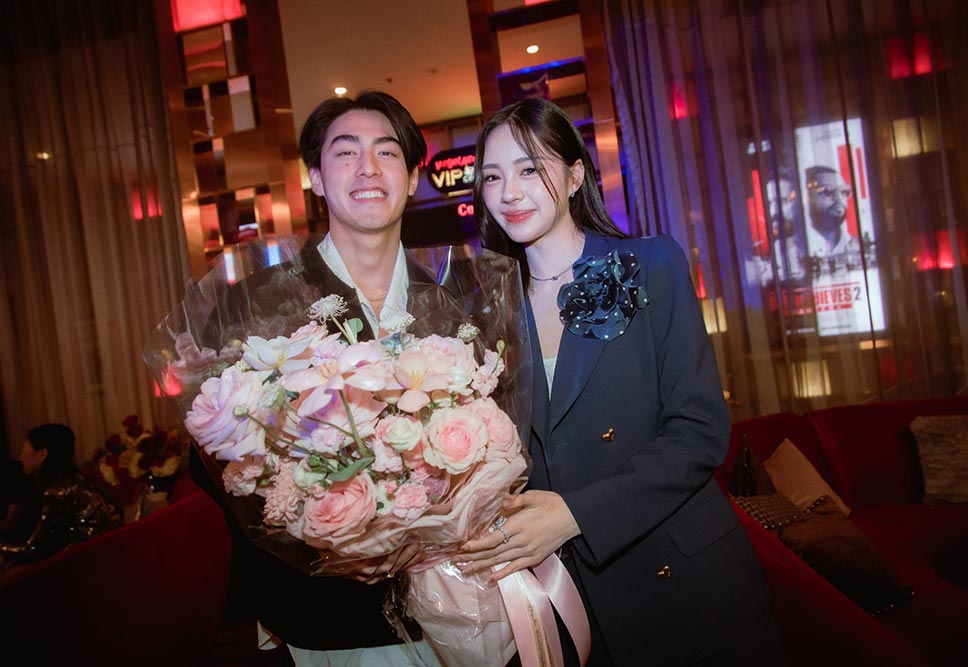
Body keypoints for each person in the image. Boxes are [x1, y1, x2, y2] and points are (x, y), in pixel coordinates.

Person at [459, 98, 781, 666]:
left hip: (682, 581)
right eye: (491, 176)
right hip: (575, 596)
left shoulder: (648, 264)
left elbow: (700, 431)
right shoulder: (488, 313)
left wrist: (576, 514)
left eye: (530, 168)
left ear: (575, 175)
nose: (509, 192)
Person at [189, 91, 442, 666]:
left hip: (449, 605)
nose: (368, 168)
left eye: (387, 152)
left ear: (412, 178)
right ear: (317, 179)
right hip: (322, 615)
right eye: (346, 152)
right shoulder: (255, 302)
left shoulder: (455, 297)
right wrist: (328, 533)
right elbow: (217, 464)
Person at [0, 424, 120, 571]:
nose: (21, 457)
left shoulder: (57, 492)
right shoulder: (74, 479)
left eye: (24, 450)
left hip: (87, 563)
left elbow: (33, 549)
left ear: (42, 454)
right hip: (101, 554)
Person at [804, 166, 861, 267]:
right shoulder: (799, 249)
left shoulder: (859, 245)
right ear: (807, 198)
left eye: (843, 192)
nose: (839, 198)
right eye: (828, 191)